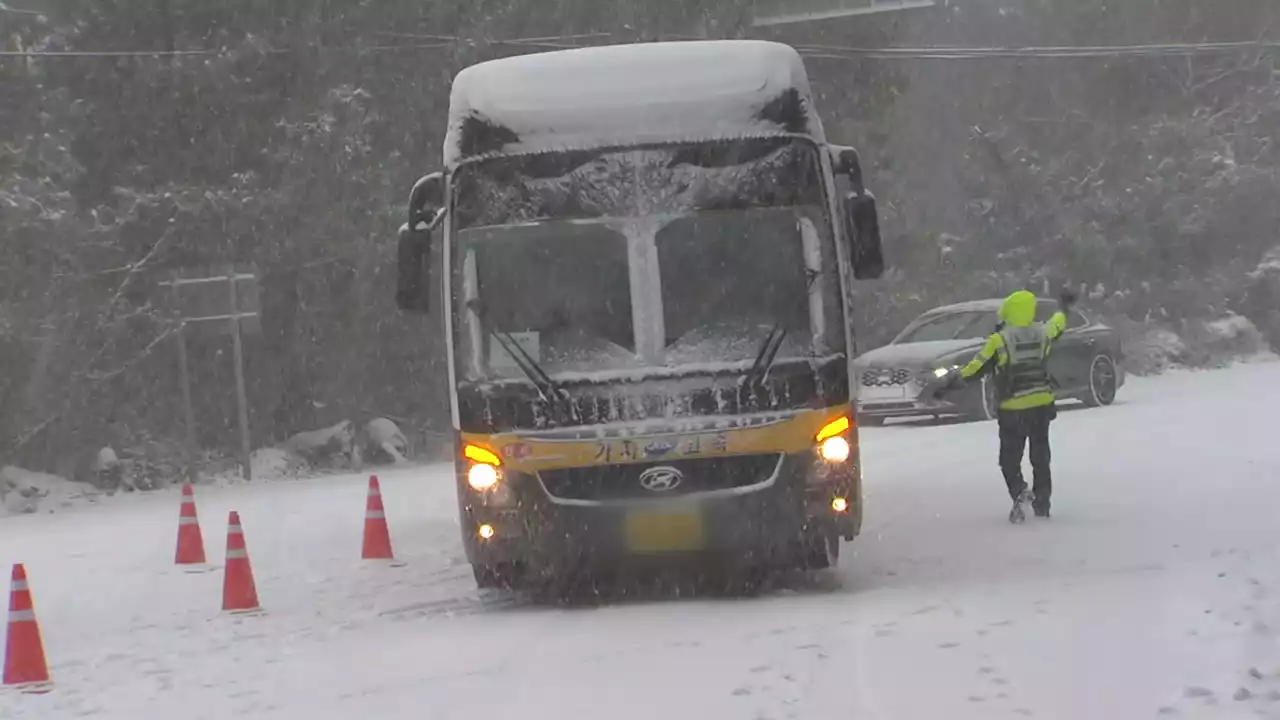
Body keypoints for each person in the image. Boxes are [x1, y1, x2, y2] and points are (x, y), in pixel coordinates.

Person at [944, 287, 1076, 523]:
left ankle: (1019, 491)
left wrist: (956, 380)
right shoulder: (1043, 333)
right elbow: (1057, 324)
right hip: (1041, 404)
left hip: (1013, 408)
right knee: (1040, 456)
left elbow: (978, 366)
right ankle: (1042, 502)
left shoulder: (1000, 340)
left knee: (1009, 459)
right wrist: (1064, 308)